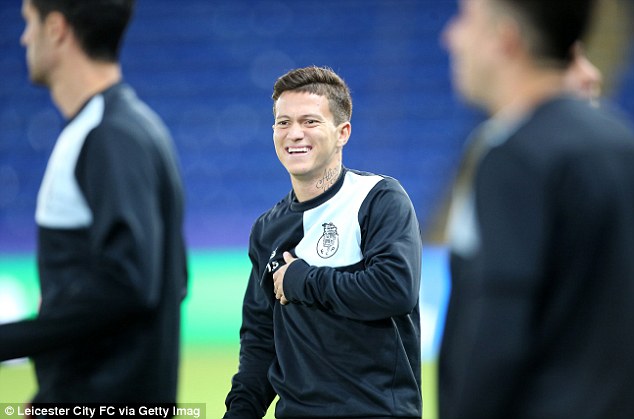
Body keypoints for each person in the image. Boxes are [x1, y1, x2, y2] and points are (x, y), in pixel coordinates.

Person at [438, 0, 634, 418]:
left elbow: (498, 327)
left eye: (466, 19)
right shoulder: (622, 145)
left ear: (505, 39)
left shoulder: (514, 157)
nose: (450, 36)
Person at [0, 0, 187, 404]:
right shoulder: (131, 127)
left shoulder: (108, 136)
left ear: (57, 29)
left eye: (29, 22)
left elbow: (131, 283)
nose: (24, 37)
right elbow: (173, 278)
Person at [223, 66, 423, 418]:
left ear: (342, 132)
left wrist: (302, 279)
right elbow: (259, 338)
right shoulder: (266, 230)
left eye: (310, 121)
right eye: (283, 122)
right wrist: (240, 410)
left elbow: (395, 289)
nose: (294, 134)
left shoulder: (378, 198)